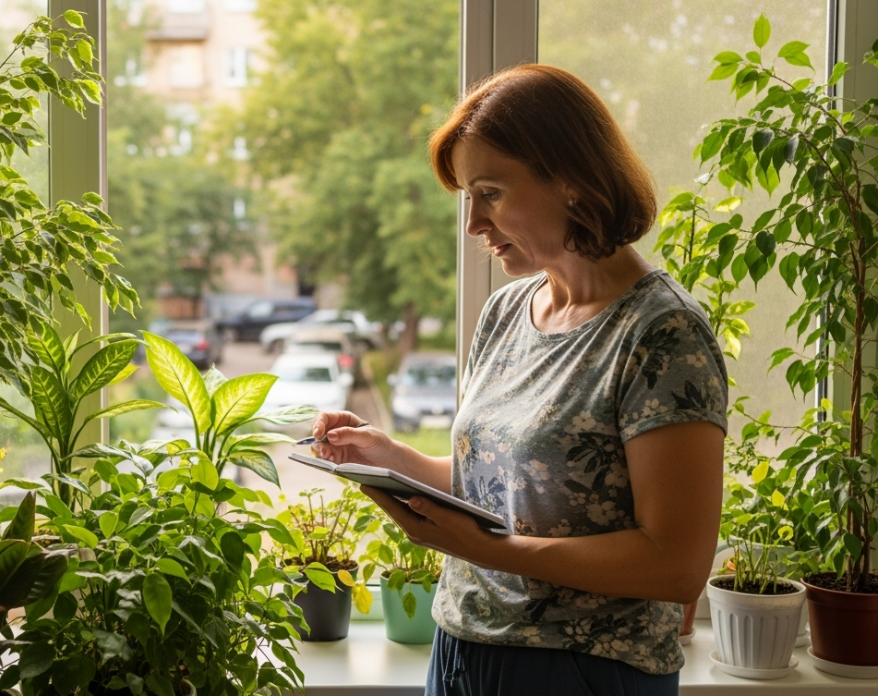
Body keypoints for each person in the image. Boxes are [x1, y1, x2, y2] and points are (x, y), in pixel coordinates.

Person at [310, 63, 727, 696]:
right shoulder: (508, 311)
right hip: (460, 649)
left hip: (580, 672)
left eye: (491, 193)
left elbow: (676, 565)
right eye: (468, 198)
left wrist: (489, 551)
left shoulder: (662, 334)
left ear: (572, 181)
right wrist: (389, 458)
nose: (474, 223)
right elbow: (511, 486)